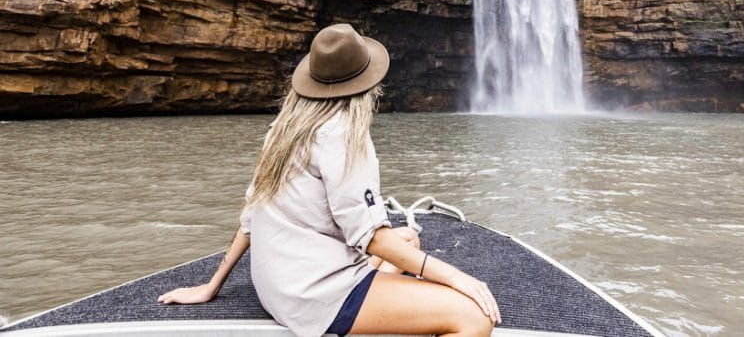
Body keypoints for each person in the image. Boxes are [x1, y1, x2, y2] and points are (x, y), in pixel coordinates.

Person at [157, 23, 500, 337]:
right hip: (317, 295)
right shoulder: (343, 134)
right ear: (368, 83)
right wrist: (457, 277)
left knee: (408, 238)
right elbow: (373, 239)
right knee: (473, 316)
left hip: (274, 286)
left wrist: (212, 285)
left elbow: (250, 217)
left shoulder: (282, 130)